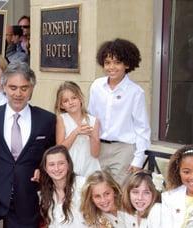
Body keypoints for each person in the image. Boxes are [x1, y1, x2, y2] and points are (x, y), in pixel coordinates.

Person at [0, 62, 56, 227]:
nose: (18, 93)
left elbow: (52, 155)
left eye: (24, 88)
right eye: (13, 88)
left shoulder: (46, 120)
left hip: (27, 194)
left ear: (32, 89)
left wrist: (42, 169)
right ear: (4, 86)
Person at [88, 38, 151, 184]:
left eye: (117, 62)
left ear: (127, 64)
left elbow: (142, 128)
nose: (112, 67)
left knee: (119, 194)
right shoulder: (96, 86)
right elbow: (91, 118)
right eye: (108, 62)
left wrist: (139, 159)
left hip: (123, 150)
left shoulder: (135, 92)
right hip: (99, 147)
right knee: (97, 191)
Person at [55, 81, 101, 177]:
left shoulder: (93, 121)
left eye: (74, 98)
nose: (71, 102)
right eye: (66, 101)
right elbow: (60, 150)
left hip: (90, 168)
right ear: (61, 105)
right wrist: (75, 132)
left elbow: (95, 154)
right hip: (70, 168)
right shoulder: (62, 119)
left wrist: (91, 135)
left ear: (80, 98)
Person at [38, 145, 86, 227]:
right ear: (45, 168)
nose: (56, 168)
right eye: (51, 164)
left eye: (61, 163)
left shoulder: (83, 185)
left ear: (68, 164)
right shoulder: (44, 194)